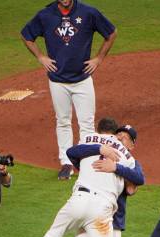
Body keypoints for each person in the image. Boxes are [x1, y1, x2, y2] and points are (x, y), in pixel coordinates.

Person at [21, 0, 117, 180]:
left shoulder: (88, 12)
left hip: (82, 80)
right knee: (63, 121)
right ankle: (66, 162)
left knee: (86, 123)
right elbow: (26, 35)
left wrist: (98, 59)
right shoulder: (45, 15)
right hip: (57, 81)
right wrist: (41, 57)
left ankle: (87, 160)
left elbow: (111, 33)